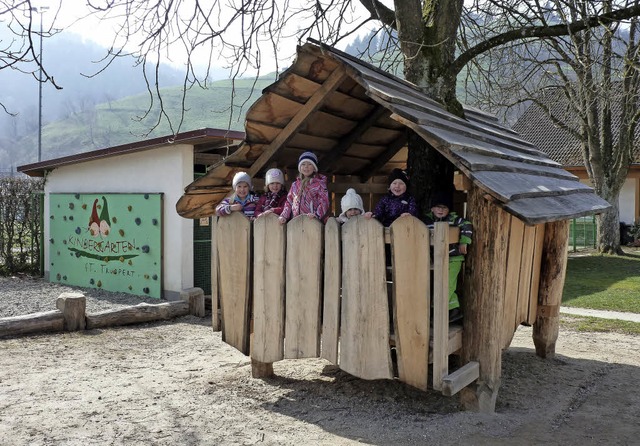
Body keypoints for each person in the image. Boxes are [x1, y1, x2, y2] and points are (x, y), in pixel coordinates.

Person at [423, 191, 472, 322]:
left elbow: (467, 225)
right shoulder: (426, 221)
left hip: (453, 258)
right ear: (432, 208)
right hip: (437, 259)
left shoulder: (454, 220)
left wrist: (464, 241)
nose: (440, 210)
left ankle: (441, 312)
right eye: (438, 207)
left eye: (444, 207)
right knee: (440, 285)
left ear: (448, 209)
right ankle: (454, 312)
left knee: (447, 285)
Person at [279, 151, 329, 224]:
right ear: (300, 167)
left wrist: (316, 215)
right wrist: (284, 216)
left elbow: (324, 202)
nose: (306, 166)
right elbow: (289, 202)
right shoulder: (295, 185)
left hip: (312, 221)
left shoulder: (319, 184)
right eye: (303, 164)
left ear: (314, 168)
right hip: (297, 222)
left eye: (309, 164)